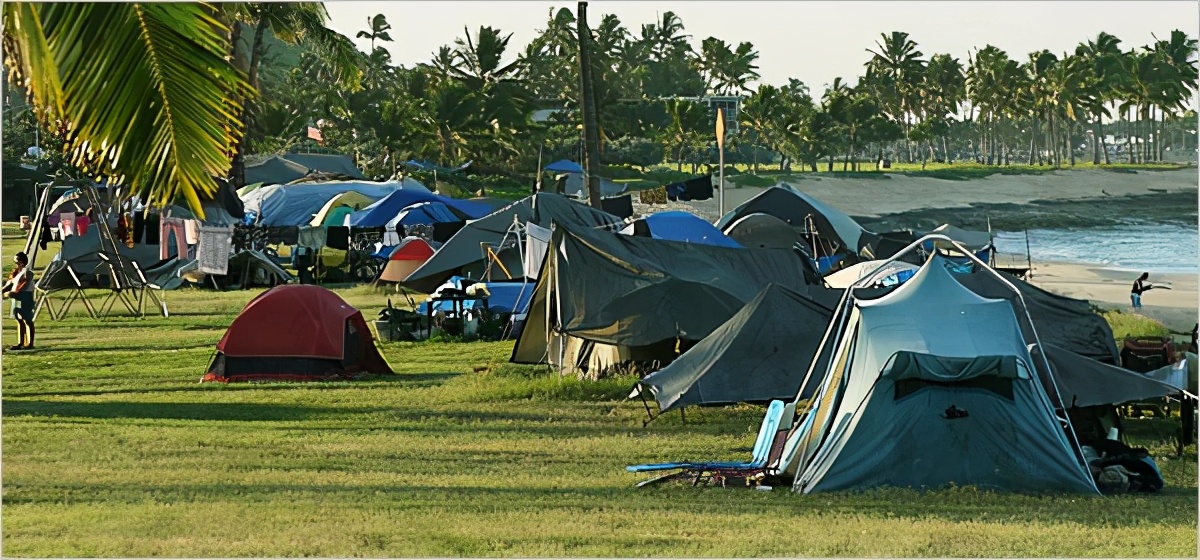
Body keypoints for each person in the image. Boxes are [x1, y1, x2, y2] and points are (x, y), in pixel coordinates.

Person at [2, 252, 36, 350]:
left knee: (27, 319)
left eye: (17, 261)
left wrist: (15, 293)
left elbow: (24, 284)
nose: (16, 263)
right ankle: (20, 342)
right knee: (18, 319)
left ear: (22, 262)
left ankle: (30, 343)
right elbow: (9, 284)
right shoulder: (16, 272)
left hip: (25, 296)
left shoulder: (27, 272)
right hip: (16, 296)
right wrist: (3, 291)